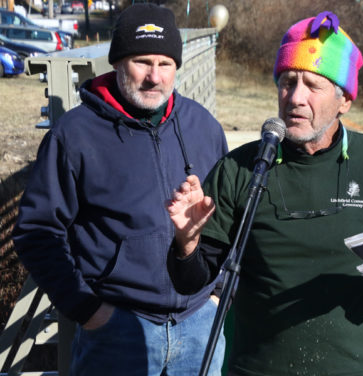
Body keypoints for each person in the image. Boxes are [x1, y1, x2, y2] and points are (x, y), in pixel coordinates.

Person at [166, 11, 363, 376]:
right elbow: (192, 279)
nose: (295, 98)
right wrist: (187, 242)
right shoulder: (241, 167)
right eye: (287, 82)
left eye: (312, 85)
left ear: (345, 100)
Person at [12, 3, 228, 376]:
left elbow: (229, 216)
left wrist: (217, 292)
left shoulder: (202, 126)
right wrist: (89, 311)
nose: (154, 77)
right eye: (142, 62)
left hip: (200, 325)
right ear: (116, 63)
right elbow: (37, 231)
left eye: (165, 64)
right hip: (119, 329)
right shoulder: (74, 135)